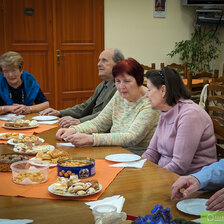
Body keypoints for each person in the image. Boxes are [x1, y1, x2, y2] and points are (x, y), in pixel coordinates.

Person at [56, 58, 160, 155]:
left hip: (137, 158)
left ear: (139, 81)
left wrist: (91, 139)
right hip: (114, 152)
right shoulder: (120, 95)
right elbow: (100, 123)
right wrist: (74, 130)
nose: (121, 86)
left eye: (127, 81)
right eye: (118, 81)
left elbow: (131, 137)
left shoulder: (150, 103)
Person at [142, 67, 217, 175]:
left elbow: (179, 165)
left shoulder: (190, 115)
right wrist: (138, 169)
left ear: (163, 90)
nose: (146, 95)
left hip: (191, 184)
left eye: (149, 90)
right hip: (167, 176)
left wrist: (153, 177)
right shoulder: (165, 111)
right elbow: (152, 153)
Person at [40, 48, 124, 127]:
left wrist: (79, 121)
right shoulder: (102, 84)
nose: (98, 64)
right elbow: (85, 107)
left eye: (104, 60)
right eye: (99, 60)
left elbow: (105, 115)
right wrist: (59, 112)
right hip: (90, 127)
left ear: (118, 64)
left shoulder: (121, 87)